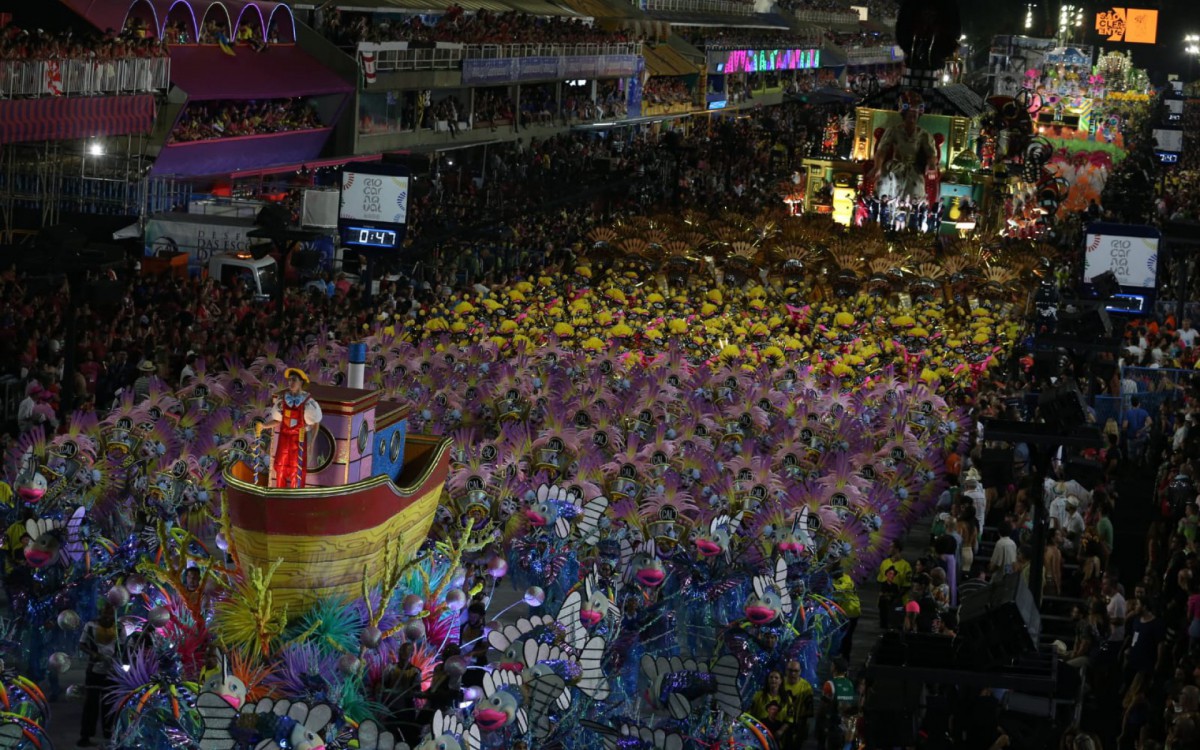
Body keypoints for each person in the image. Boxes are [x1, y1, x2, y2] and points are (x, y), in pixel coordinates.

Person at [870, 90, 938, 204]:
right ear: (904, 114)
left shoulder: (924, 134)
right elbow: (882, 150)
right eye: (910, 115)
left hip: (913, 168)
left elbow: (931, 154)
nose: (912, 118)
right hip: (895, 165)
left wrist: (931, 165)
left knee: (915, 186)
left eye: (915, 115)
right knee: (888, 179)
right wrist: (877, 166)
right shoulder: (893, 130)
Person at [259, 368, 323, 488]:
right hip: (284, 442)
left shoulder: (308, 403)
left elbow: (315, 424)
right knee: (281, 468)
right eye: (289, 380)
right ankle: (279, 497)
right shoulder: (283, 400)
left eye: (294, 380)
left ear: (301, 383)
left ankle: (295, 501)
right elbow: (277, 420)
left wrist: (311, 442)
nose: (290, 383)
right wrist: (264, 426)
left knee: (296, 471)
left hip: (298, 443)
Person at [78, 604, 123, 747]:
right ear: (100, 613)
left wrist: (117, 659)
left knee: (109, 703)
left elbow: (123, 647)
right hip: (94, 670)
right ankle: (85, 735)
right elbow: (82, 644)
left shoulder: (120, 628)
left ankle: (109, 734)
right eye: (105, 614)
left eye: (111, 614)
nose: (108, 617)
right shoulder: (90, 626)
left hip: (112, 670)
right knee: (91, 703)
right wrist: (93, 654)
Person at [750, 670, 792, 743]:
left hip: (778, 737)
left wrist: (781, 731)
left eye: (776, 678)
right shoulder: (758, 696)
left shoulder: (787, 699)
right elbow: (751, 714)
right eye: (771, 677)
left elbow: (789, 719)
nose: (773, 679)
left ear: (781, 681)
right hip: (759, 735)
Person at [830, 563, 860, 660]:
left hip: (852, 612)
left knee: (847, 636)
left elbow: (840, 588)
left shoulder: (846, 579)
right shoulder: (835, 579)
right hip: (842, 612)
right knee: (841, 635)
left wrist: (829, 587)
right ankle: (840, 655)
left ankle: (846, 659)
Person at [782, 659, 814, 749]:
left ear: (800, 672)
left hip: (797, 725)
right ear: (786, 670)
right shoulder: (779, 683)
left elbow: (809, 712)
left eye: (795, 671)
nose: (793, 674)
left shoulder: (806, 687)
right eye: (790, 670)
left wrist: (804, 730)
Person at [1122, 396, 1151, 464]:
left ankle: (1132, 468)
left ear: (1131, 403)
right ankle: (1139, 466)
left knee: (1131, 457)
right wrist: (1142, 430)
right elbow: (1150, 422)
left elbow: (1124, 426)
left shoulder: (1128, 413)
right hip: (1141, 437)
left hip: (1131, 438)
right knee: (1140, 455)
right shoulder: (1144, 412)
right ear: (1139, 403)